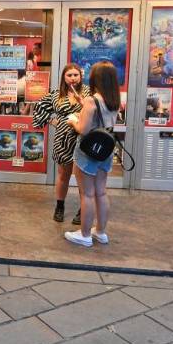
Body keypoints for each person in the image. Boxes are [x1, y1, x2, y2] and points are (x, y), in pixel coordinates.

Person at [65, 61, 121, 247]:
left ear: (96, 78)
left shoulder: (92, 100)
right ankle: (101, 232)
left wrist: (73, 121)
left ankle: (85, 235)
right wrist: (83, 104)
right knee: (101, 192)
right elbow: (102, 117)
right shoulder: (114, 99)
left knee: (87, 194)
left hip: (88, 151)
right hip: (105, 150)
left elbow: (83, 129)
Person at [33, 63, 90, 224]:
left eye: (75, 75)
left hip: (82, 138)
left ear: (80, 76)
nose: (73, 78)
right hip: (63, 138)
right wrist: (52, 121)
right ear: (64, 78)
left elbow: (95, 112)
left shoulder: (88, 92)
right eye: (69, 75)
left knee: (83, 177)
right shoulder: (56, 94)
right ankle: (59, 206)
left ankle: (83, 209)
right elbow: (39, 107)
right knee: (63, 174)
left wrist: (82, 107)